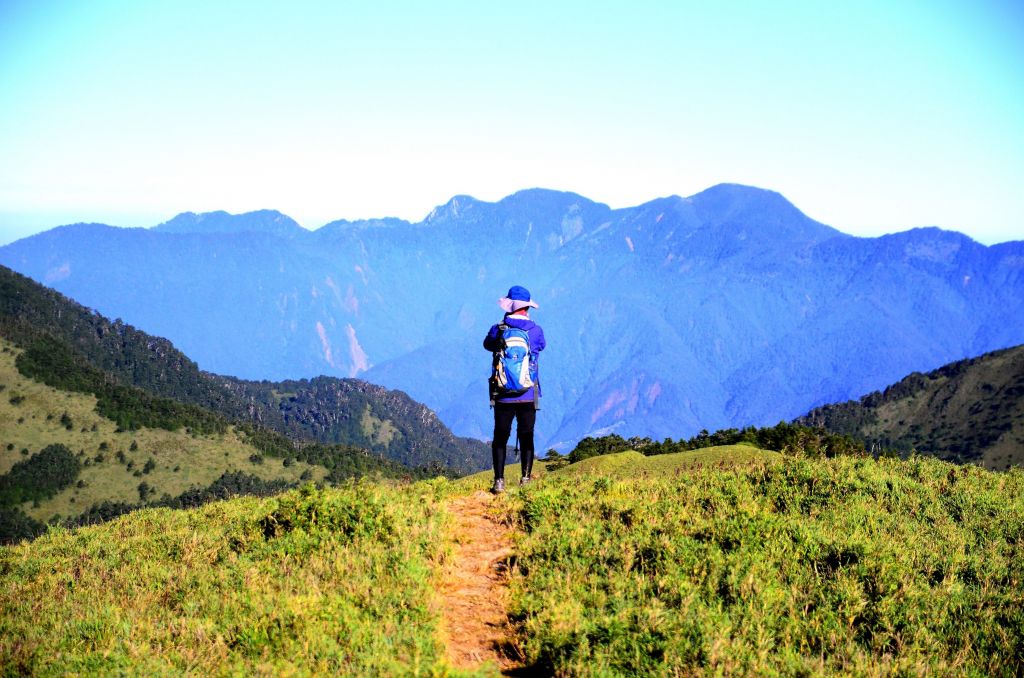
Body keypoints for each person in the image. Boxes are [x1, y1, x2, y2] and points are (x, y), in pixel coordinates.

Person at [483, 285, 546, 493]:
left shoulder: (498, 330)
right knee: (527, 436)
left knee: (500, 438)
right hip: (528, 393)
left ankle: (499, 481)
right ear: (527, 307)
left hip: (503, 395)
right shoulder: (536, 331)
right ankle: (526, 479)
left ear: (510, 306)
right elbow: (540, 346)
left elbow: (487, 345)